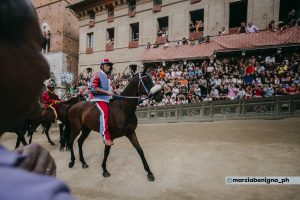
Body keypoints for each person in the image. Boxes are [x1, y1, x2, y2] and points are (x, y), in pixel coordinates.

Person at [0, 0, 74, 199]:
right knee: (56, 109)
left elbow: (54, 95)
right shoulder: (49, 194)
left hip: (54, 100)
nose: (45, 69)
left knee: (60, 105)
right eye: (33, 48)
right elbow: (49, 96)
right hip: (49, 103)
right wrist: (52, 100)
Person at [90, 58, 115, 146]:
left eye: (110, 65)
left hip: (107, 98)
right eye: (107, 65)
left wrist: (115, 92)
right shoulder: (98, 74)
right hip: (98, 98)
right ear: (102, 66)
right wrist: (107, 92)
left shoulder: (108, 77)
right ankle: (106, 137)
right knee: (105, 112)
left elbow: (110, 89)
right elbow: (93, 88)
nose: (109, 67)